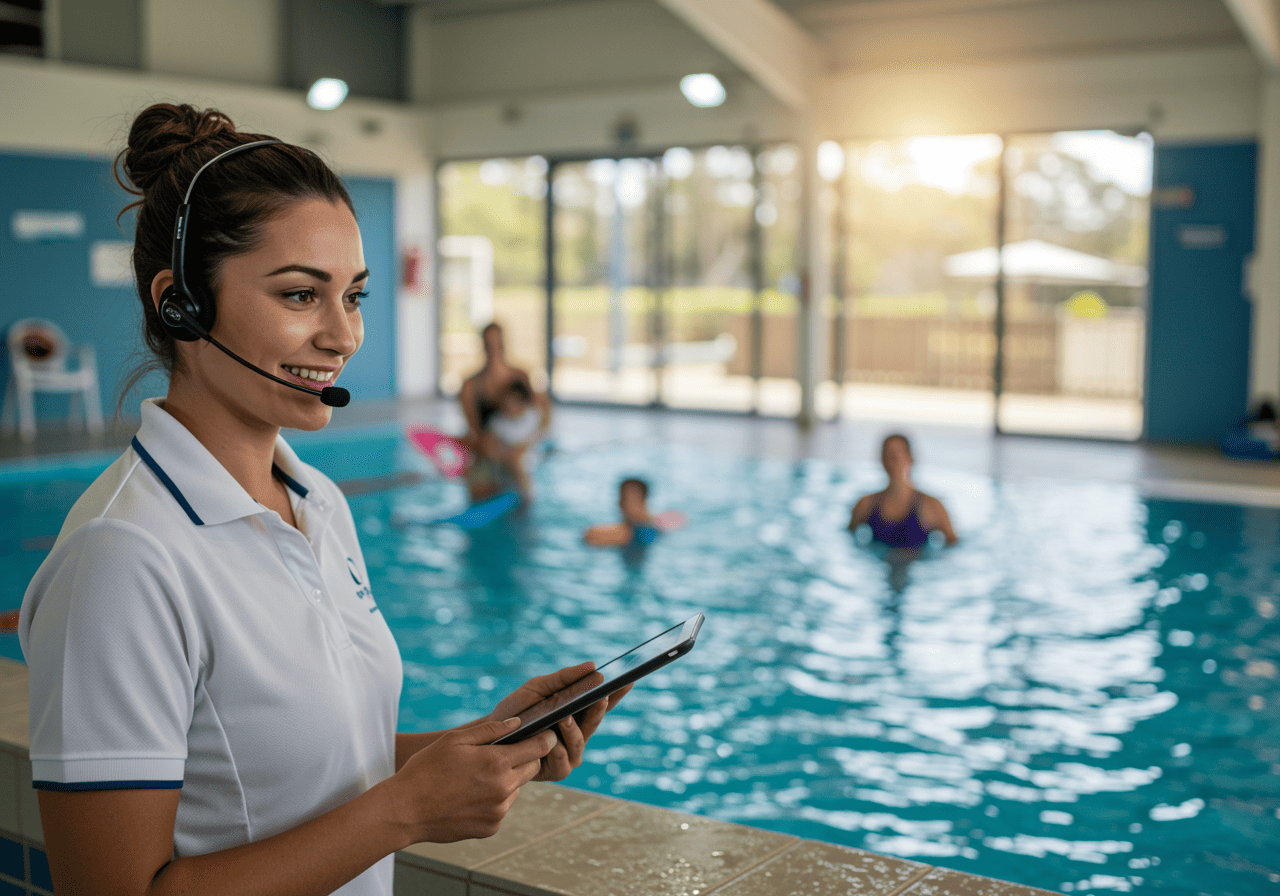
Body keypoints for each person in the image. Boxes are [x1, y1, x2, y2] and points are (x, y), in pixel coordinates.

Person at [18, 103, 626, 896]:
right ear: (180, 302)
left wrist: (479, 751)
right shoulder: (124, 555)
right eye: (302, 295)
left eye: (355, 296)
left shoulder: (319, 503)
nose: (344, 336)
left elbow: (311, 767)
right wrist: (404, 813)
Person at [458, 322, 550, 501]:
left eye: (497, 342)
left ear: (504, 343)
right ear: (482, 345)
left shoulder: (521, 376)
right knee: (481, 498)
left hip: (519, 455)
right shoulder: (470, 386)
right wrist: (496, 451)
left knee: (521, 500)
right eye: (489, 343)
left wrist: (525, 446)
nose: (493, 348)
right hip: (489, 455)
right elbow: (475, 433)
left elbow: (543, 415)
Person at [848, 433, 958, 549]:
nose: (893, 460)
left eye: (897, 454)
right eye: (888, 454)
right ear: (881, 460)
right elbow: (848, 542)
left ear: (910, 458)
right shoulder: (865, 505)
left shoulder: (932, 506)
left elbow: (953, 545)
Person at [469, 378, 545, 499]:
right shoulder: (498, 422)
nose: (508, 406)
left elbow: (537, 438)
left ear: (523, 403)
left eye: (513, 402)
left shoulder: (532, 416)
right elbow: (489, 445)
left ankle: (527, 497)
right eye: (505, 402)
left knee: (516, 461)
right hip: (504, 458)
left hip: (526, 459)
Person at [584, 478, 684, 547]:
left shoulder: (656, 526)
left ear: (643, 501)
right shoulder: (656, 527)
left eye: (629, 500)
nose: (623, 505)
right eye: (623, 500)